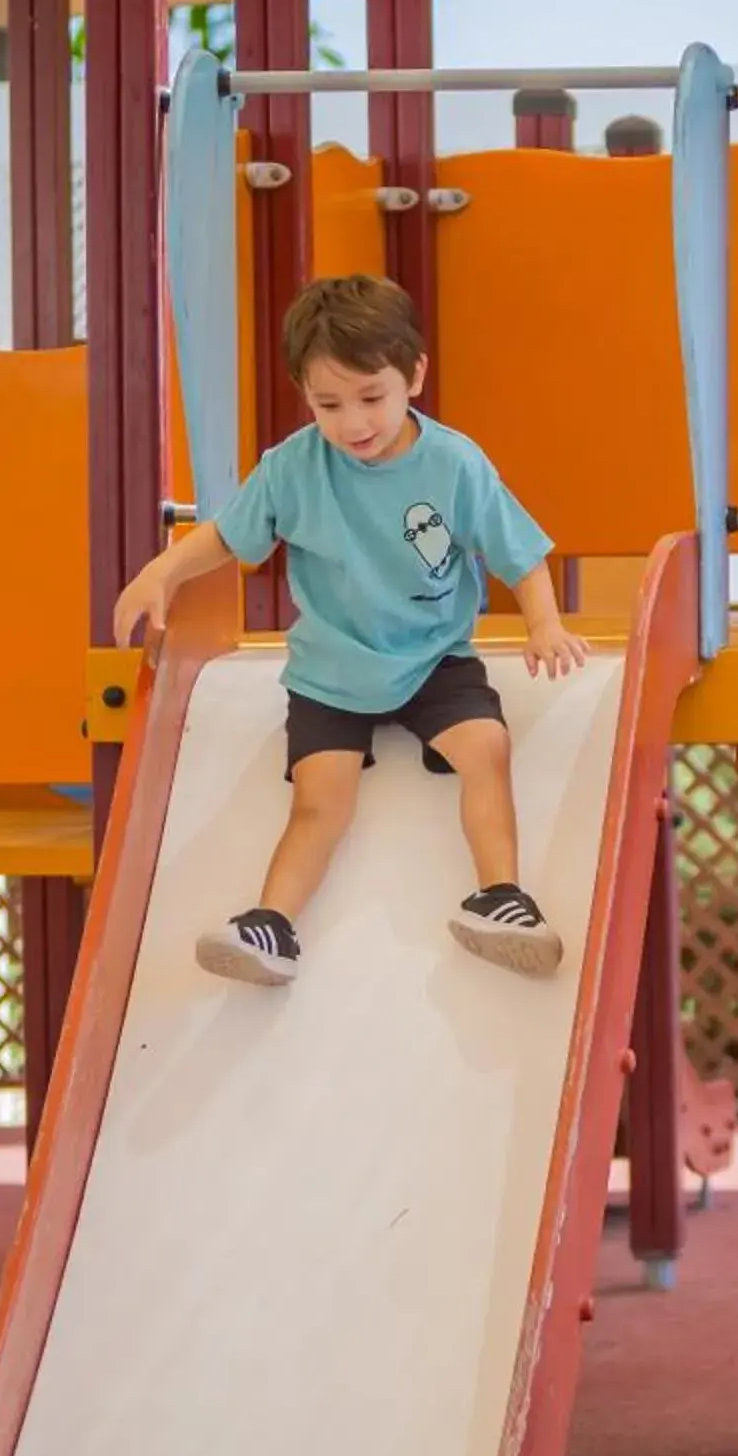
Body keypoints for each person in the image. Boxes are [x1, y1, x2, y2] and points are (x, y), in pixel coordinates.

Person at [111, 275, 589, 987]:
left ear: (414, 376)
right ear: (304, 394)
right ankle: (272, 925)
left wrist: (544, 624)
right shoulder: (293, 468)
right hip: (331, 670)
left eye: (371, 397)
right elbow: (227, 536)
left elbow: (518, 552)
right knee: (319, 797)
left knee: (485, 748)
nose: (353, 422)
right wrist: (162, 574)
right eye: (327, 404)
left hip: (433, 658)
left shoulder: (454, 464)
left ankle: (502, 897)